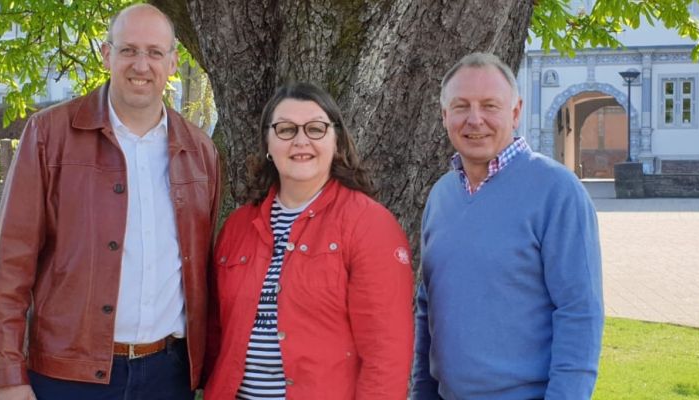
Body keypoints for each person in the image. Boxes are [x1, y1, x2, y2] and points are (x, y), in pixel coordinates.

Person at [0, 4, 221, 399]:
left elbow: (204, 272)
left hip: (168, 376)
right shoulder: (49, 135)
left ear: (173, 62)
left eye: (154, 52)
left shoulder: (199, 150)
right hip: (67, 376)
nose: (141, 65)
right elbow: (12, 262)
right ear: (106, 54)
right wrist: (8, 375)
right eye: (129, 50)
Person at [203, 82, 414, 399]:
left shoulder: (369, 225)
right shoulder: (238, 226)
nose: (301, 141)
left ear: (336, 140)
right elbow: (216, 333)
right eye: (286, 130)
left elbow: (386, 354)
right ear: (267, 143)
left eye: (315, 129)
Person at [411, 52, 604, 400]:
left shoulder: (557, 191)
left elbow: (579, 313)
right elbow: (428, 308)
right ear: (444, 116)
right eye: (461, 106)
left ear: (515, 113)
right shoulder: (441, 196)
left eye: (489, 105)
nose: (475, 119)